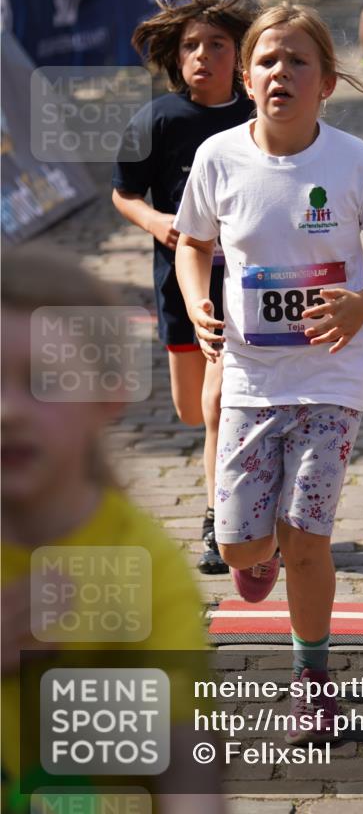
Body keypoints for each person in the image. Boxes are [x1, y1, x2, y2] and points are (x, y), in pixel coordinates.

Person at [173, 3, 363, 740]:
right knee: (238, 548)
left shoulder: (353, 162)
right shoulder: (218, 158)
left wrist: (360, 307)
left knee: (308, 538)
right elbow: (192, 244)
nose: (281, 72)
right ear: (245, 79)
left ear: (327, 84)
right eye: (268, 61)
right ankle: (258, 550)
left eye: (298, 62)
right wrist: (196, 304)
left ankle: (312, 679)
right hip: (250, 379)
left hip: (331, 380)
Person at [1, 245, 219, 813]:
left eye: (44, 380)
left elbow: (185, 762)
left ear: (109, 395)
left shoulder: (142, 565)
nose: (9, 411)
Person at [111, 0, 255, 575]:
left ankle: (220, 522)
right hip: (181, 284)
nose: (203, 55)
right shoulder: (159, 120)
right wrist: (154, 221)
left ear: (239, 54)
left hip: (247, 284)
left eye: (217, 44)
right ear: (175, 56)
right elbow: (123, 192)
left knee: (221, 405)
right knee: (194, 411)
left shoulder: (258, 112)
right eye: (191, 45)